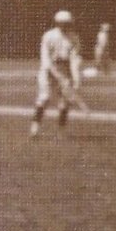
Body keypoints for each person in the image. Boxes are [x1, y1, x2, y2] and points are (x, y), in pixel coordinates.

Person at [30, 9, 83, 137]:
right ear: (57, 23)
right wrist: (56, 75)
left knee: (65, 102)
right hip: (48, 72)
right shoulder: (48, 36)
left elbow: (74, 60)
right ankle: (34, 127)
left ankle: (61, 131)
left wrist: (75, 79)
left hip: (64, 70)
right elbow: (45, 59)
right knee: (44, 98)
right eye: (62, 23)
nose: (65, 26)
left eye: (67, 23)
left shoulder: (74, 38)